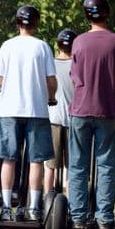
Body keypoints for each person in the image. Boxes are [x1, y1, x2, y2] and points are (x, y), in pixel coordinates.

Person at [67, 0, 115, 229]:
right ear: (108, 13)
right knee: (105, 165)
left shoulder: (79, 42)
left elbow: (75, 78)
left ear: (86, 15)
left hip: (81, 109)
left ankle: (78, 216)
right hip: (108, 110)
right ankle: (104, 218)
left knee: (78, 165)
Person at [0, 5, 57, 222]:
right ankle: (33, 207)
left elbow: (0, 79)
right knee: (35, 160)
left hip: (10, 109)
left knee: (9, 158)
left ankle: (5, 205)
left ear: (17, 23)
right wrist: (51, 97)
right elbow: (51, 81)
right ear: (36, 23)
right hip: (37, 110)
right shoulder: (43, 47)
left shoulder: (6, 46)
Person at [44, 29, 77, 198]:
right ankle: (72, 202)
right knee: (71, 166)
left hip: (53, 118)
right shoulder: (78, 65)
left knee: (50, 164)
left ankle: (45, 199)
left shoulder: (50, 64)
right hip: (73, 119)